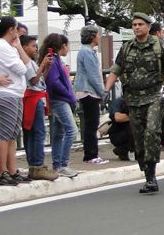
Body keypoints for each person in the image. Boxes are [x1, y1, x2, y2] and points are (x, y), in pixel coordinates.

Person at [105, 13, 164, 194]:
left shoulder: (159, 46)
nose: (137, 27)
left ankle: (152, 176)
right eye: (134, 25)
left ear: (147, 26)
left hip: (154, 96)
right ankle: (147, 173)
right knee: (138, 139)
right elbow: (116, 69)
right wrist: (106, 89)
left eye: (140, 24)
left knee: (152, 131)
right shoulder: (127, 48)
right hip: (133, 99)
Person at [0, 16, 31, 185]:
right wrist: (19, 50)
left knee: (13, 134)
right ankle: (2, 170)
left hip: (15, 93)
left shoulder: (8, 46)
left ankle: (12, 170)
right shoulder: (1, 47)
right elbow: (23, 68)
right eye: (16, 29)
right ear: (11, 30)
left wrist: (18, 48)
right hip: (7, 94)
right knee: (6, 134)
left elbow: (26, 67)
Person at [20, 35, 58, 181]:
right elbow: (33, 80)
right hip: (32, 99)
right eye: (33, 46)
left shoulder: (31, 62)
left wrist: (46, 67)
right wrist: (42, 65)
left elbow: (40, 79)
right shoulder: (26, 62)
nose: (36, 48)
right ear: (24, 48)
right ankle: (37, 165)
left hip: (37, 96)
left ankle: (34, 165)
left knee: (33, 133)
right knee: (38, 133)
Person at [42, 33, 79, 178]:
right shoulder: (54, 60)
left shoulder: (54, 59)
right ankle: (63, 164)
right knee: (72, 130)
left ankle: (57, 164)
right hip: (60, 99)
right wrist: (68, 95)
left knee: (58, 133)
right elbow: (54, 81)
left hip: (57, 99)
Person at [74, 24, 109, 164]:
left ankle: (91, 154)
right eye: (98, 35)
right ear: (93, 36)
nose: (99, 37)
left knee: (90, 124)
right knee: (91, 124)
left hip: (87, 91)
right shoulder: (87, 52)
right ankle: (91, 155)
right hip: (89, 92)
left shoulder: (86, 51)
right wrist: (103, 91)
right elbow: (93, 75)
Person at [108, 96, 134, 161]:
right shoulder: (119, 101)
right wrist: (137, 117)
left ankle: (123, 151)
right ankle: (123, 150)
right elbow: (118, 118)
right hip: (118, 133)